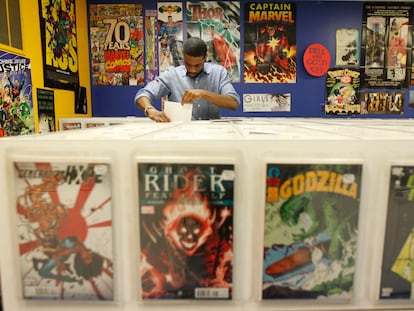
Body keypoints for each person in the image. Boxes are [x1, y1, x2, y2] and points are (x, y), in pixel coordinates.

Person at [134, 37, 240, 122]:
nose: (192, 69)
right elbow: (142, 95)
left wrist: (203, 94)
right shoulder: (172, 75)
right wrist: (150, 109)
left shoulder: (218, 73)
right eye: (188, 64)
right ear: (184, 57)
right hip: (181, 136)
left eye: (197, 65)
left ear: (205, 57)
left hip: (211, 137)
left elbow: (233, 103)